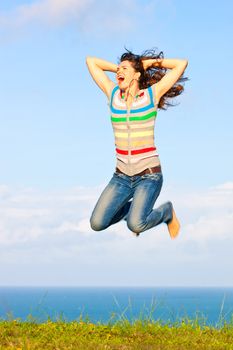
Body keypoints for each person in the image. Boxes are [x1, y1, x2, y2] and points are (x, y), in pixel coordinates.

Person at [86, 49, 188, 239]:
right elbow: (91, 61)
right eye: (118, 70)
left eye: (124, 69)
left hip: (149, 177)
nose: (118, 72)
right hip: (121, 177)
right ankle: (132, 211)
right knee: (97, 223)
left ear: (137, 74)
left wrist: (148, 63)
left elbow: (181, 64)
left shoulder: (151, 95)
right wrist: (120, 67)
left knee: (136, 225)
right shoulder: (113, 94)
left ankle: (166, 212)